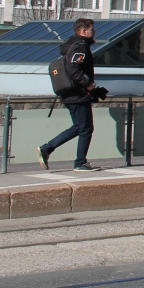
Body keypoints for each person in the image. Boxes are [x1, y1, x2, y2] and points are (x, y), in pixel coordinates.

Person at [37, 18, 105, 172]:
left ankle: (46, 149)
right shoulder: (80, 46)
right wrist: (88, 84)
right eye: (92, 30)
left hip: (70, 93)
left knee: (78, 127)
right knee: (86, 129)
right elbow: (74, 68)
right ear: (83, 31)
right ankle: (80, 163)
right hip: (78, 94)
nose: (94, 33)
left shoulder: (72, 44)